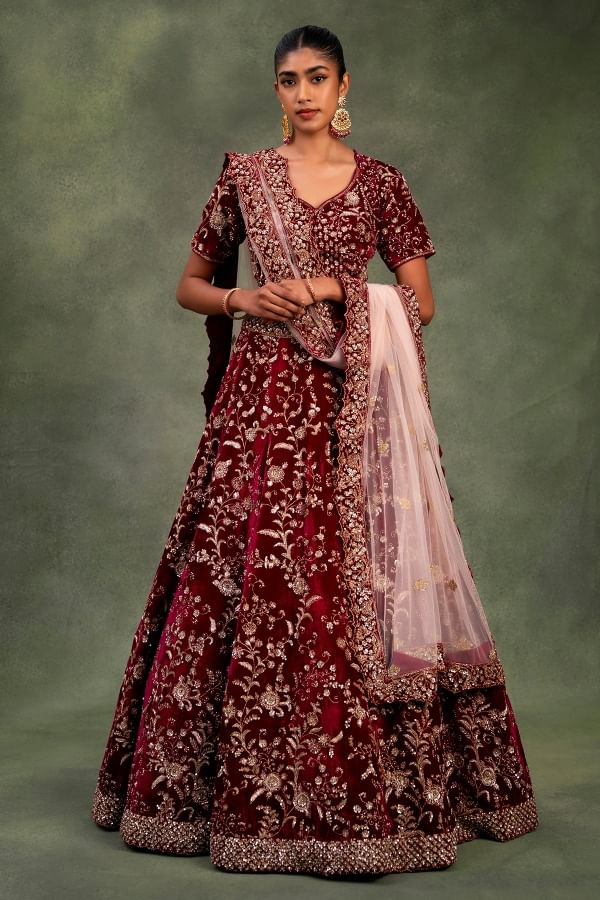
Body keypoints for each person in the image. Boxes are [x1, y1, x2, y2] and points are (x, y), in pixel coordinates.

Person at [91, 24, 539, 876]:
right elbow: (189, 285)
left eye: (318, 77)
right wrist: (243, 301)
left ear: (344, 87)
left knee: (346, 588)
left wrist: (333, 285)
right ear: (277, 90)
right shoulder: (245, 179)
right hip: (258, 414)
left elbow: (419, 303)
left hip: (351, 413)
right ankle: (224, 802)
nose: (304, 93)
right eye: (290, 79)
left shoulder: (382, 184)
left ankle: (359, 793)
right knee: (243, 578)